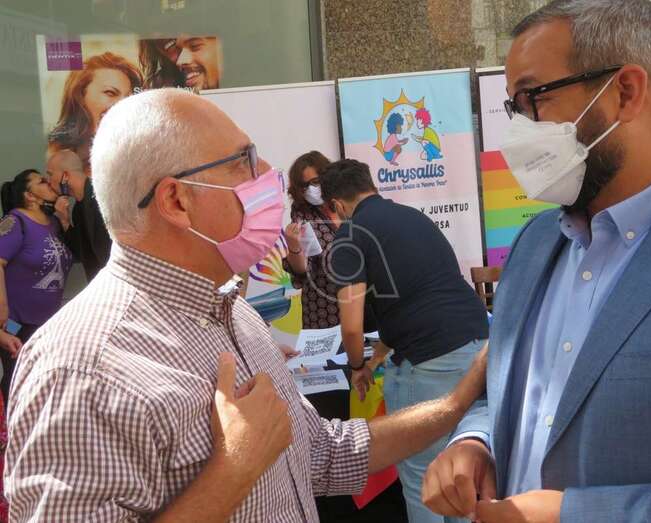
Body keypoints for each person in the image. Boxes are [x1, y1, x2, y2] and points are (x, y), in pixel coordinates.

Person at [4, 88, 489, 522]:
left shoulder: (237, 315)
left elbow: (322, 453)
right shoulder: (82, 369)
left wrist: (456, 402)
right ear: (176, 201)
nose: (267, 173)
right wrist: (234, 470)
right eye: (244, 161)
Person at [422, 1, 651, 522]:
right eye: (514, 107)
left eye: (535, 98)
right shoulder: (535, 244)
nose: (518, 132)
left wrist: (575, 514)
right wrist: (476, 443)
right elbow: (511, 396)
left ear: (625, 92)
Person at [320, 159, 489, 523]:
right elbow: (419, 295)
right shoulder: (413, 217)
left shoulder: (351, 233)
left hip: (430, 360)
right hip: (479, 347)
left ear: (336, 205)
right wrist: (379, 353)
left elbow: (352, 326)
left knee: (422, 479)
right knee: (463, 474)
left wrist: (357, 367)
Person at [0, 169, 72, 402]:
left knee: (46, 387)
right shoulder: (15, 221)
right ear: (30, 196)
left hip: (49, 324)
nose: (49, 183)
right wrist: (1, 308)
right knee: (18, 383)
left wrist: (64, 217)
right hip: (16, 324)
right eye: (42, 181)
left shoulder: (53, 223)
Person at [48, 52, 143, 173]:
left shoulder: (132, 163)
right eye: (110, 93)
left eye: (128, 98)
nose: (123, 105)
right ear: (80, 96)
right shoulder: (50, 157)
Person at [282, 151, 343, 329]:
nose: (311, 189)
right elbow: (303, 270)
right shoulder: (302, 214)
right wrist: (294, 247)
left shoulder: (347, 202)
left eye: (315, 182)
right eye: (304, 186)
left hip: (362, 301)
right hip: (324, 308)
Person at [46, 149, 111, 281]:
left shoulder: (102, 197)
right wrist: (64, 220)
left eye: (50, 174)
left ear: (65, 175)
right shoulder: (78, 209)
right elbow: (80, 254)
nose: (48, 181)